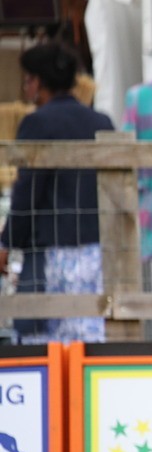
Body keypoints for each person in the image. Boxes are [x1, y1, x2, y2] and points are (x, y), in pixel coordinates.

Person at [0, 43, 114, 344]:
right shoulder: (101, 122)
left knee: (45, 341)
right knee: (89, 337)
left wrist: (7, 242)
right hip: (97, 250)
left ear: (36, 83)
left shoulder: (37, 123)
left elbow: (28, 191)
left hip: (53, 251)